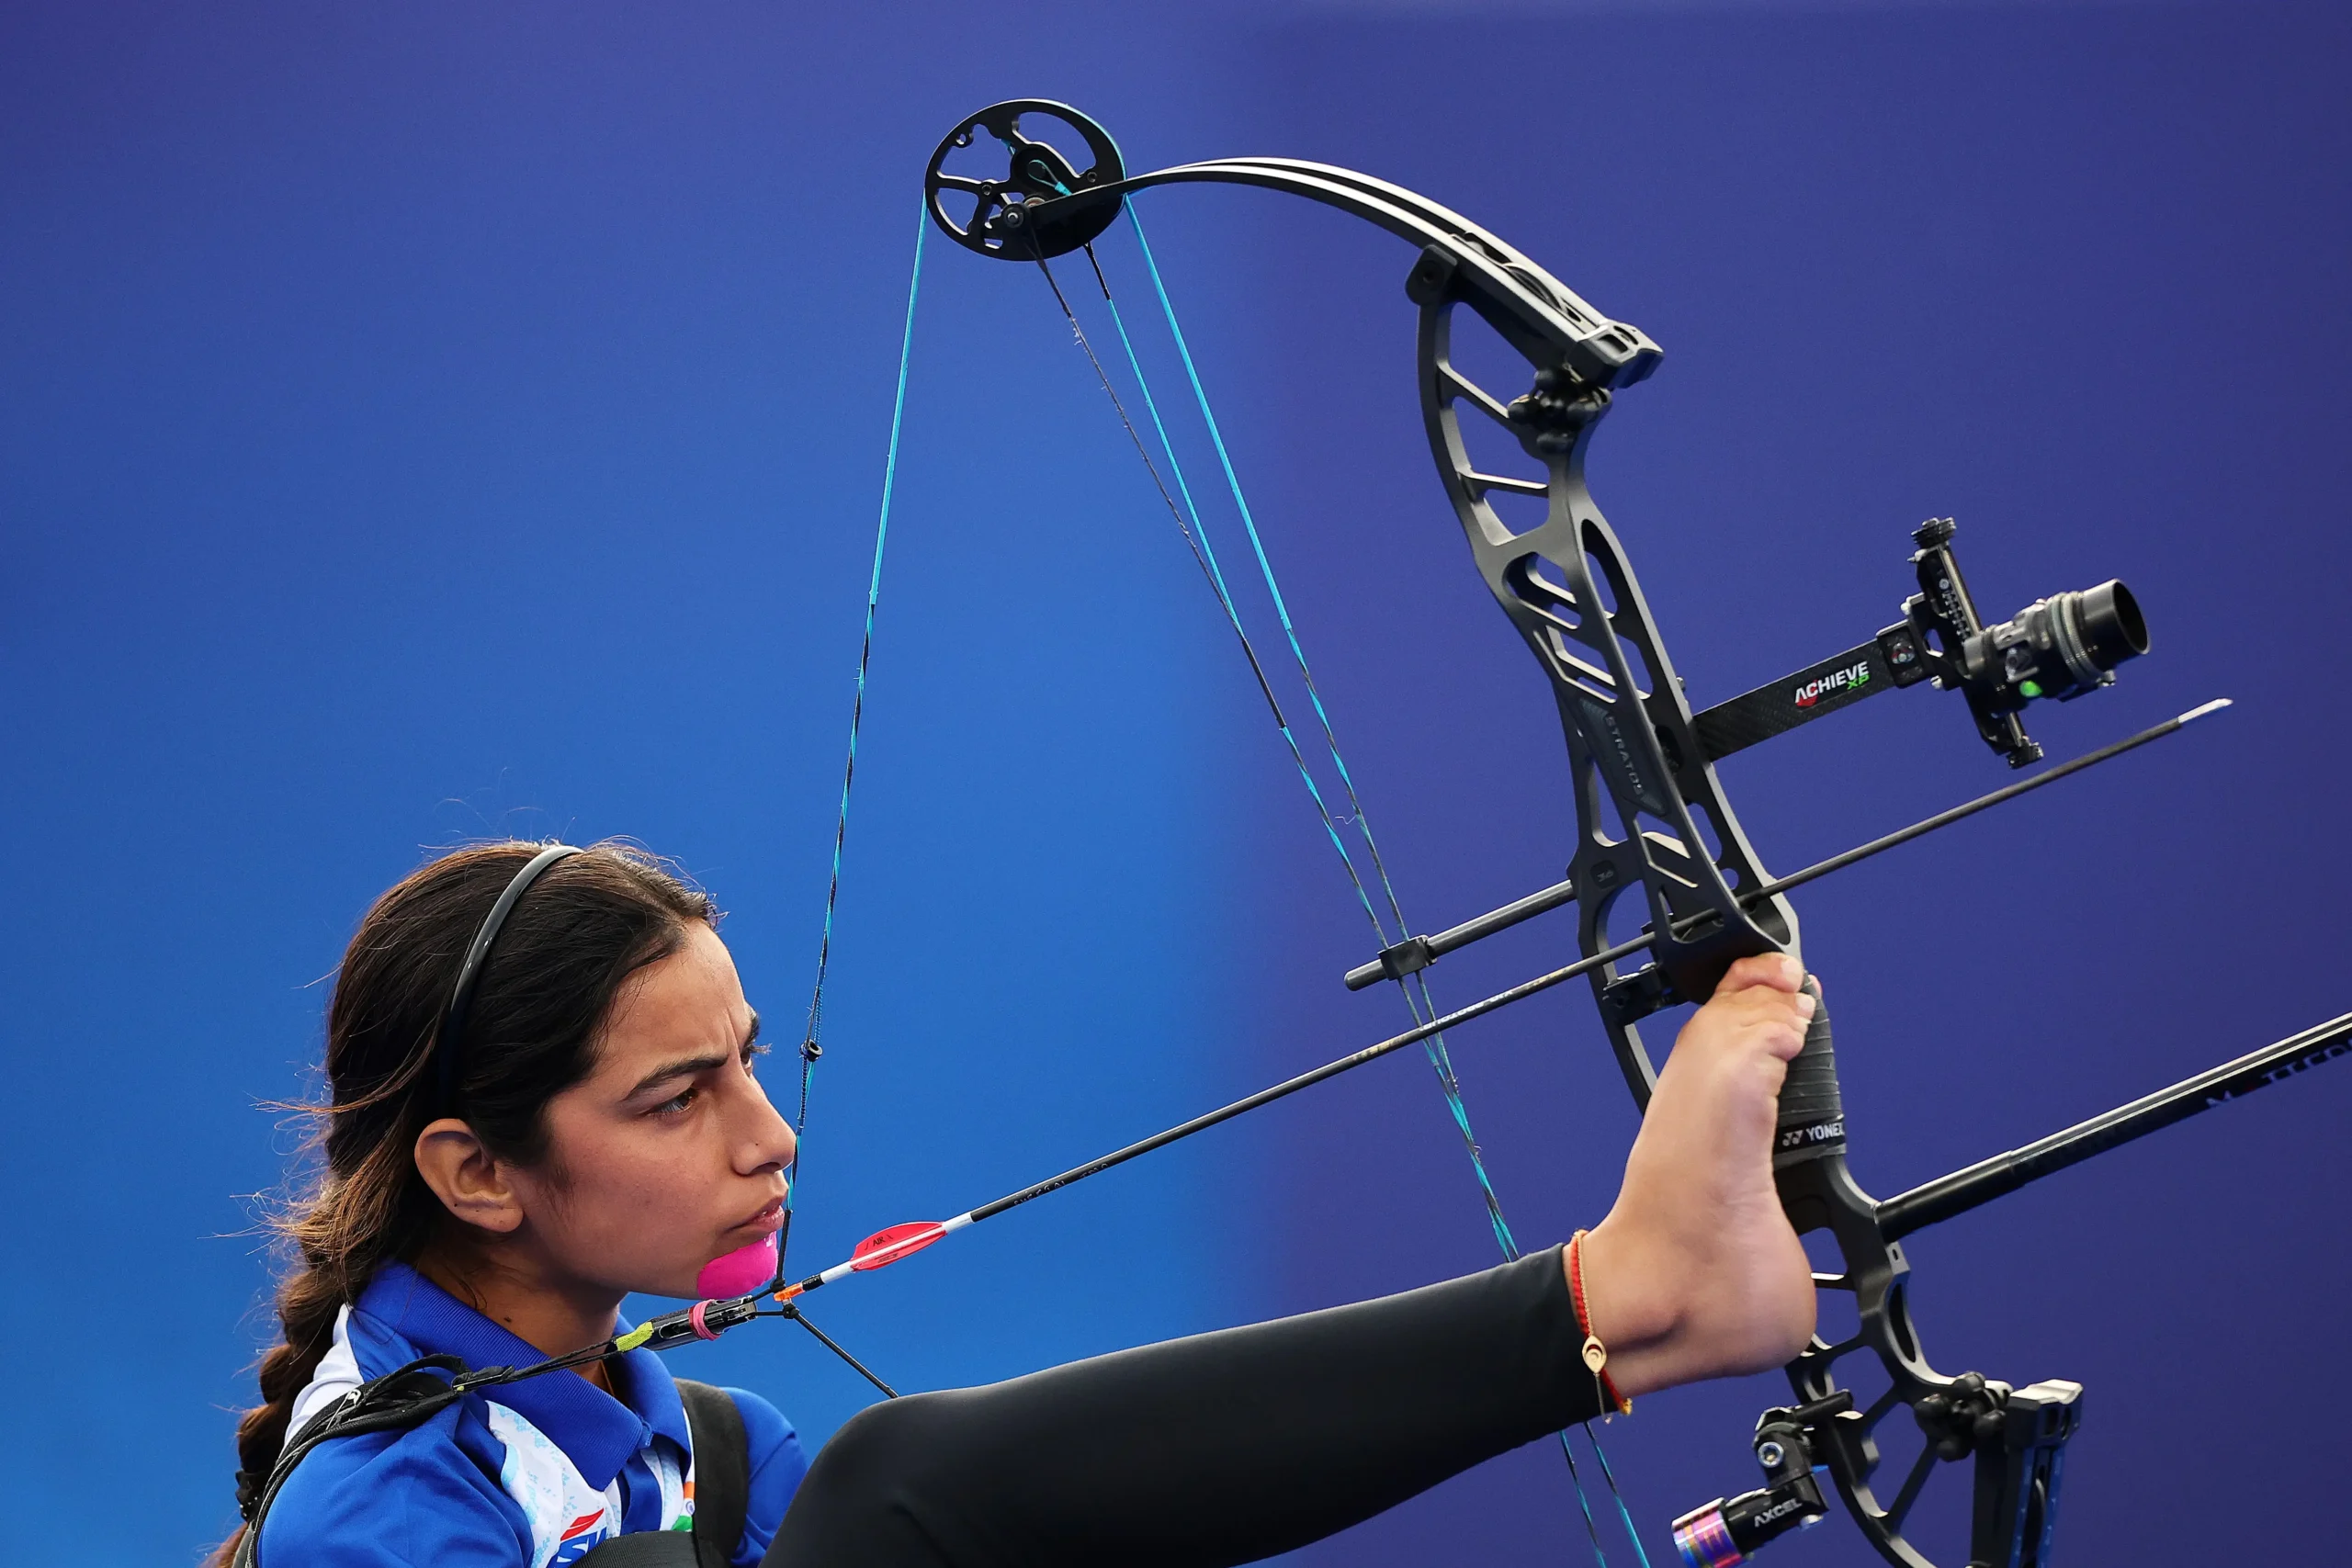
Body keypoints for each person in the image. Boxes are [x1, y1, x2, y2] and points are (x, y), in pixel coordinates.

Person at [214, 840, 1818, 1568]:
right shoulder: (378, 1514)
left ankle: (1631, 1308)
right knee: (902, 1486)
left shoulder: (716, 1453)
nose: (769, 1137)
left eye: (748, 1064)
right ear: (476, 1171)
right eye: (675, 1097)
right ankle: (1628, 1290)